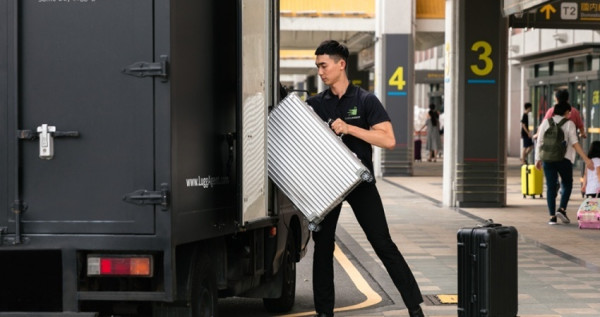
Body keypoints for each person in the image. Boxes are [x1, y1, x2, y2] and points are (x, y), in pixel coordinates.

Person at [306, 40, 425, 317]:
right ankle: (324, 313)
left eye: (324, 65)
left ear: (341, 64)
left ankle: (415, 307)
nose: (320, 72)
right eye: (317, 67)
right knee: (322, 248)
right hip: (328, 186)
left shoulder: (365, 100)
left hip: (361, 183)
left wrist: (349, 128)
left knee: (382, 243)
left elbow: (388, 140)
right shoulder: (314, 104)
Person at [534, 91, 593, 225]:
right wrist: (586, 159)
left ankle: (552, 217)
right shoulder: (569, 124)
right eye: (569, 112)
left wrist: (538, 159)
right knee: (567, 183)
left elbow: (540, 142)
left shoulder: (546, 123)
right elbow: (575, 143)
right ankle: (561, 208)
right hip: (564, 159)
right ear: (566, 112)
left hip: (548, 159)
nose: (570, 114)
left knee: (550, 186)